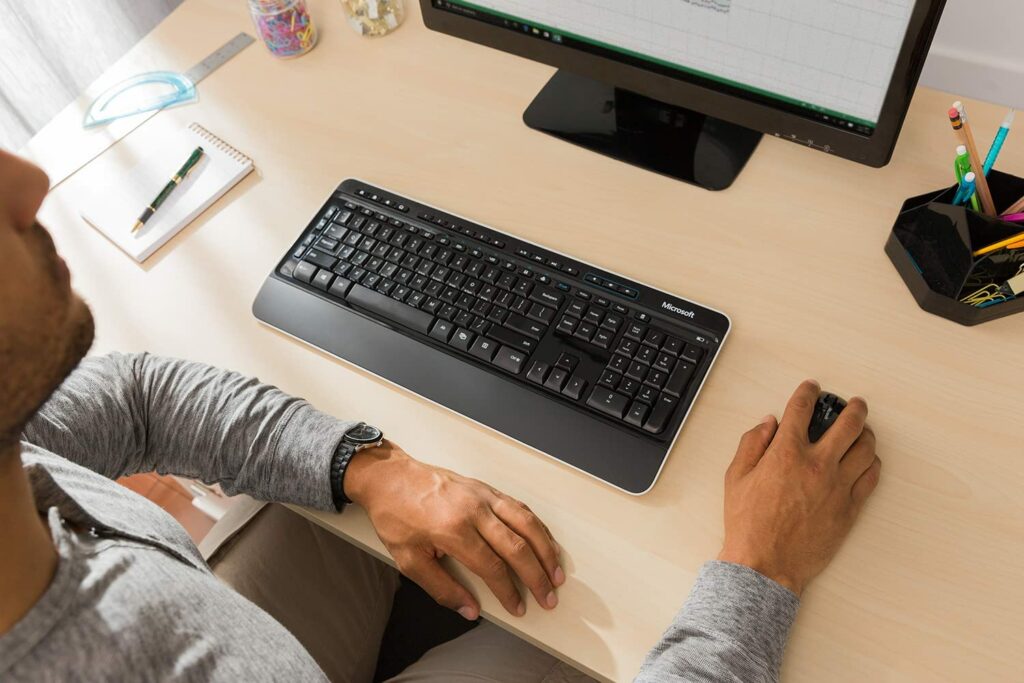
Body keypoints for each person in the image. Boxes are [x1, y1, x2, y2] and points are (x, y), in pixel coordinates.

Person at [0, 148, 880, 682]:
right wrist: (760, 570)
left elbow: (136, 395)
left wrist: (377, 468)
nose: (30, 180)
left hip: (190, 599)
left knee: (425, 533)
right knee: (584, 622)